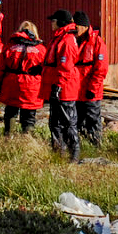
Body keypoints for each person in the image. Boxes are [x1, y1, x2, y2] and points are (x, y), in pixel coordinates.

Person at [43, 9, 83, 163]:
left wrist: (58, 86)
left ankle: (74, 153)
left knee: (68, 122)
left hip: (64, 88)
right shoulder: (60, 38)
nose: (51, 23)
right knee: (55, 122)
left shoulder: (66, 40)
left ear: (60, 22)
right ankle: (59, 151)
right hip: (57, 85)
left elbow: (65, 67)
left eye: (53, 21)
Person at [0, 21, 46, 135]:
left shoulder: (9, 47)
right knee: (29, 114)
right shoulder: (41, 49)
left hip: (12, 84)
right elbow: (46, 71)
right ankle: (27, 137)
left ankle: (9, 136)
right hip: (32, 86)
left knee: (11, 112)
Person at [73, 10, 108, 147]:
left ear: (84, 26)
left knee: (93, 120)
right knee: (76, 121)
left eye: (76, 27)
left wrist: (92, 89)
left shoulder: (97, 43)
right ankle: (79, 146)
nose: (74, 30)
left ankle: (96, 146)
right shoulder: (73, 41)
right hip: (75, 91)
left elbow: (101, 69)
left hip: (90, 92)